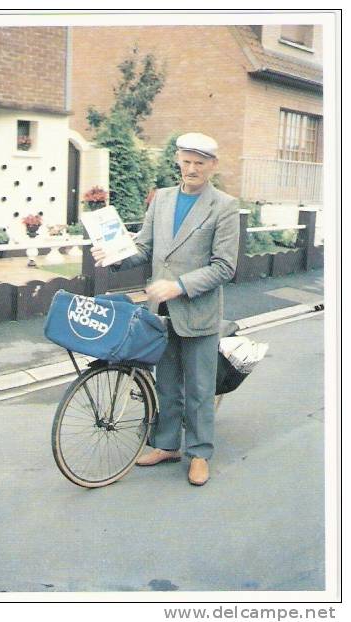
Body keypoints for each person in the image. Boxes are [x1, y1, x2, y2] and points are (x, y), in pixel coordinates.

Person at [91, 132, 240, 486]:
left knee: (201, 389)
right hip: (161, 310)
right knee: (167, 383)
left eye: (199, 163)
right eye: (186, 161)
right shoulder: (162, 199)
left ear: (212, 166)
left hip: (197, 311)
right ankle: (168, 444)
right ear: (178, 160)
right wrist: (113, 257)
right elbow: (144, 247)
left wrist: (180, 286)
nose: (191, 169)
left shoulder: (224, 206)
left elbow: (224, 267)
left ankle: (200, 452)